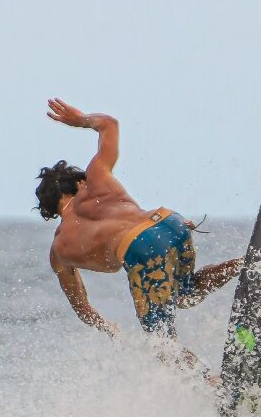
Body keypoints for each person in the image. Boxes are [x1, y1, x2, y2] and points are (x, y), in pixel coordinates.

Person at [37, 98, 240, 375]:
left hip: (142, 249)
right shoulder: (96, 177)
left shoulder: (59, 249)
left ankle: (216, 387)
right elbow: (109, 124)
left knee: (161, 344)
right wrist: (81, 119)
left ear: (50, 210)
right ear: (78, 182)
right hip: (170, 221)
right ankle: (249, 263)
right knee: (186, 292)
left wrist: (107, 328)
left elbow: (82, 307)